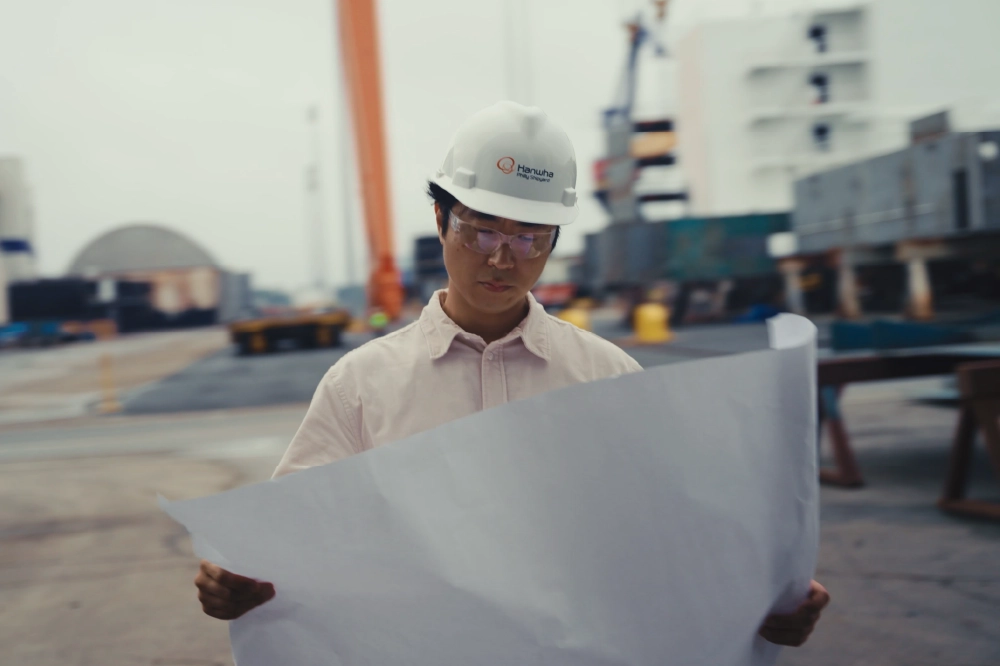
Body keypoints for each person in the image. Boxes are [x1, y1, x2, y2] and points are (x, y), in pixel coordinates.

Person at [194, 101, 830, 647]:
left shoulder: (611, 376)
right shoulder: (361, 385)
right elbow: (286, 543)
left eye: (530, 236)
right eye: (480, 230)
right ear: (441, 221)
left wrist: (768, 594)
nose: (503, 258)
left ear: (555, 239)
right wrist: (234, 580)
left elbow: (681, 535)